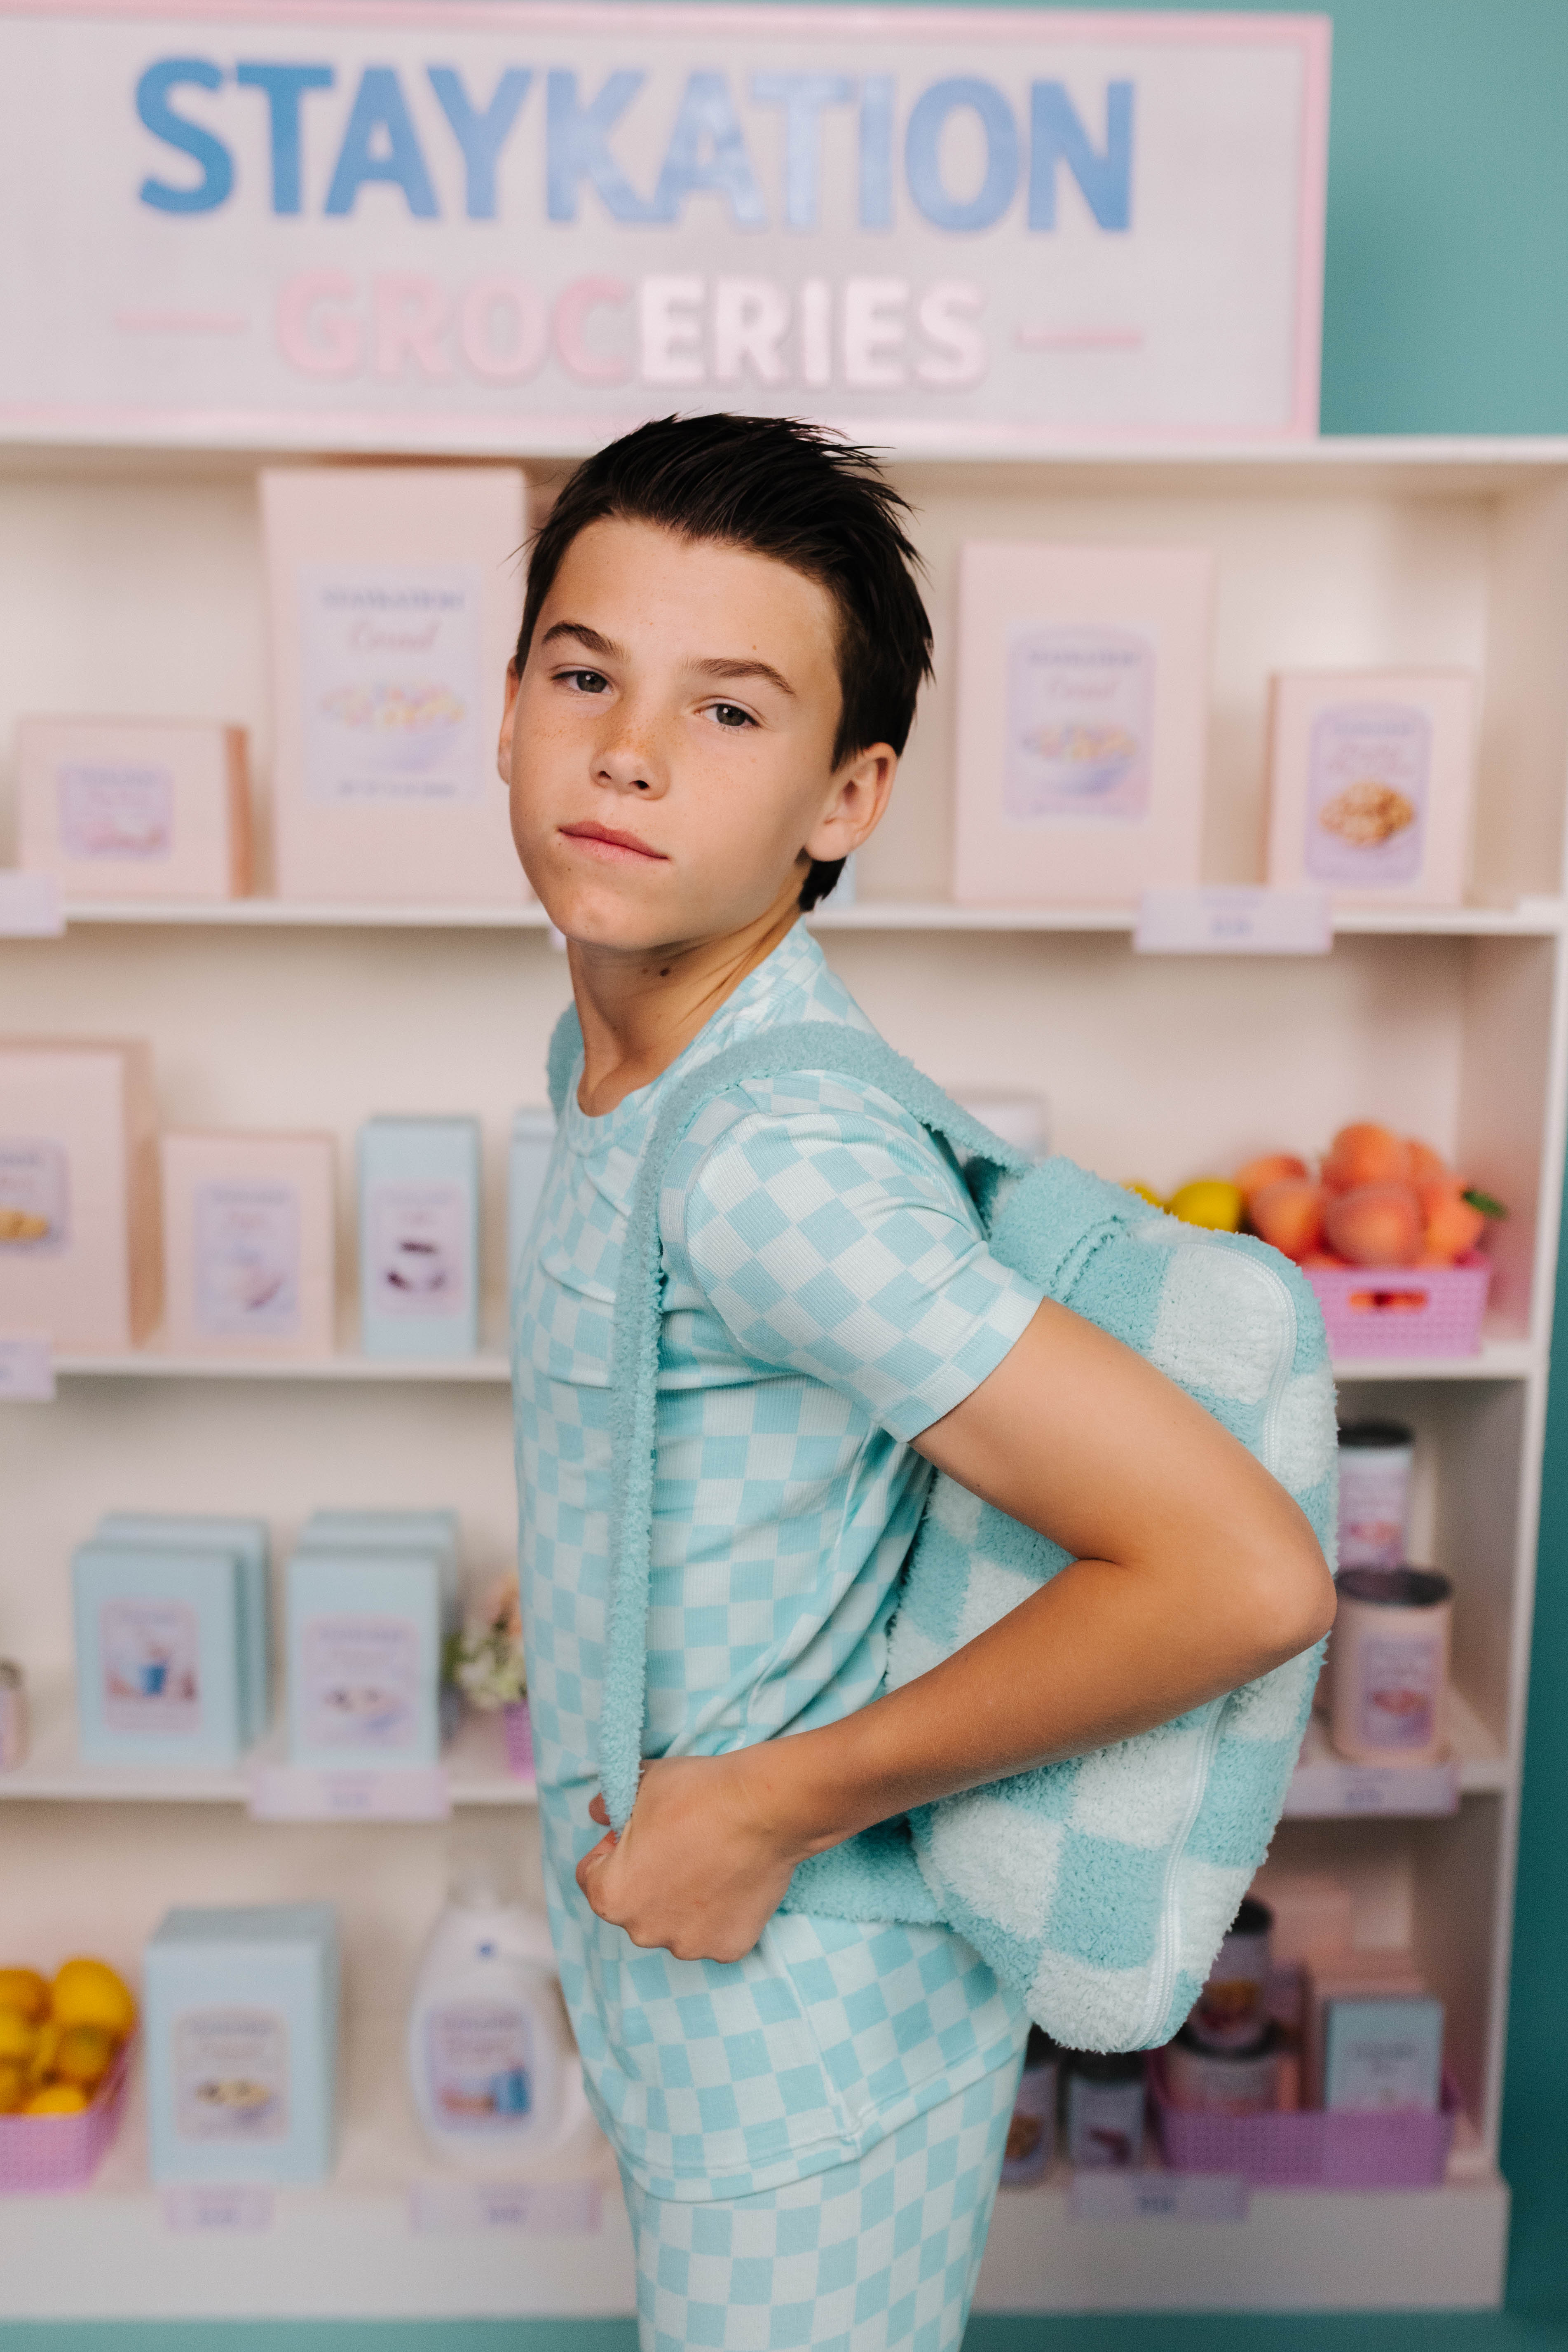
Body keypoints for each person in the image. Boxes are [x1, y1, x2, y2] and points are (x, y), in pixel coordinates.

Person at [499, 413, 1334, 2352]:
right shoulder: (627, 1056)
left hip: (799, 2020)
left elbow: (1242, 1574)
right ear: (514, 696)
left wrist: (766, 1808)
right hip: (710, 1978)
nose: (626, 746)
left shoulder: (762, 1160)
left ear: (844, 796)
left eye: (730, 711)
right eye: (583, 671)